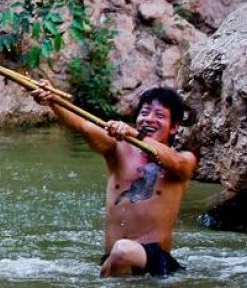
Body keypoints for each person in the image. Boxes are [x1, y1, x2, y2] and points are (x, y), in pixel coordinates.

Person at [31, 81, 197, 277]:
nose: (149, 119)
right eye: (144, 113)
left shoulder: (184, 159)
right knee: (120, 252)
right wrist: (53, 101)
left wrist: (134, 134)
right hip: (113, 257)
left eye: (159, 116)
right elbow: (84, 125)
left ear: (174, 128)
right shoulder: (118, 149)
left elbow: (177, 164)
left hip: (156, 261)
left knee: (123, 251)